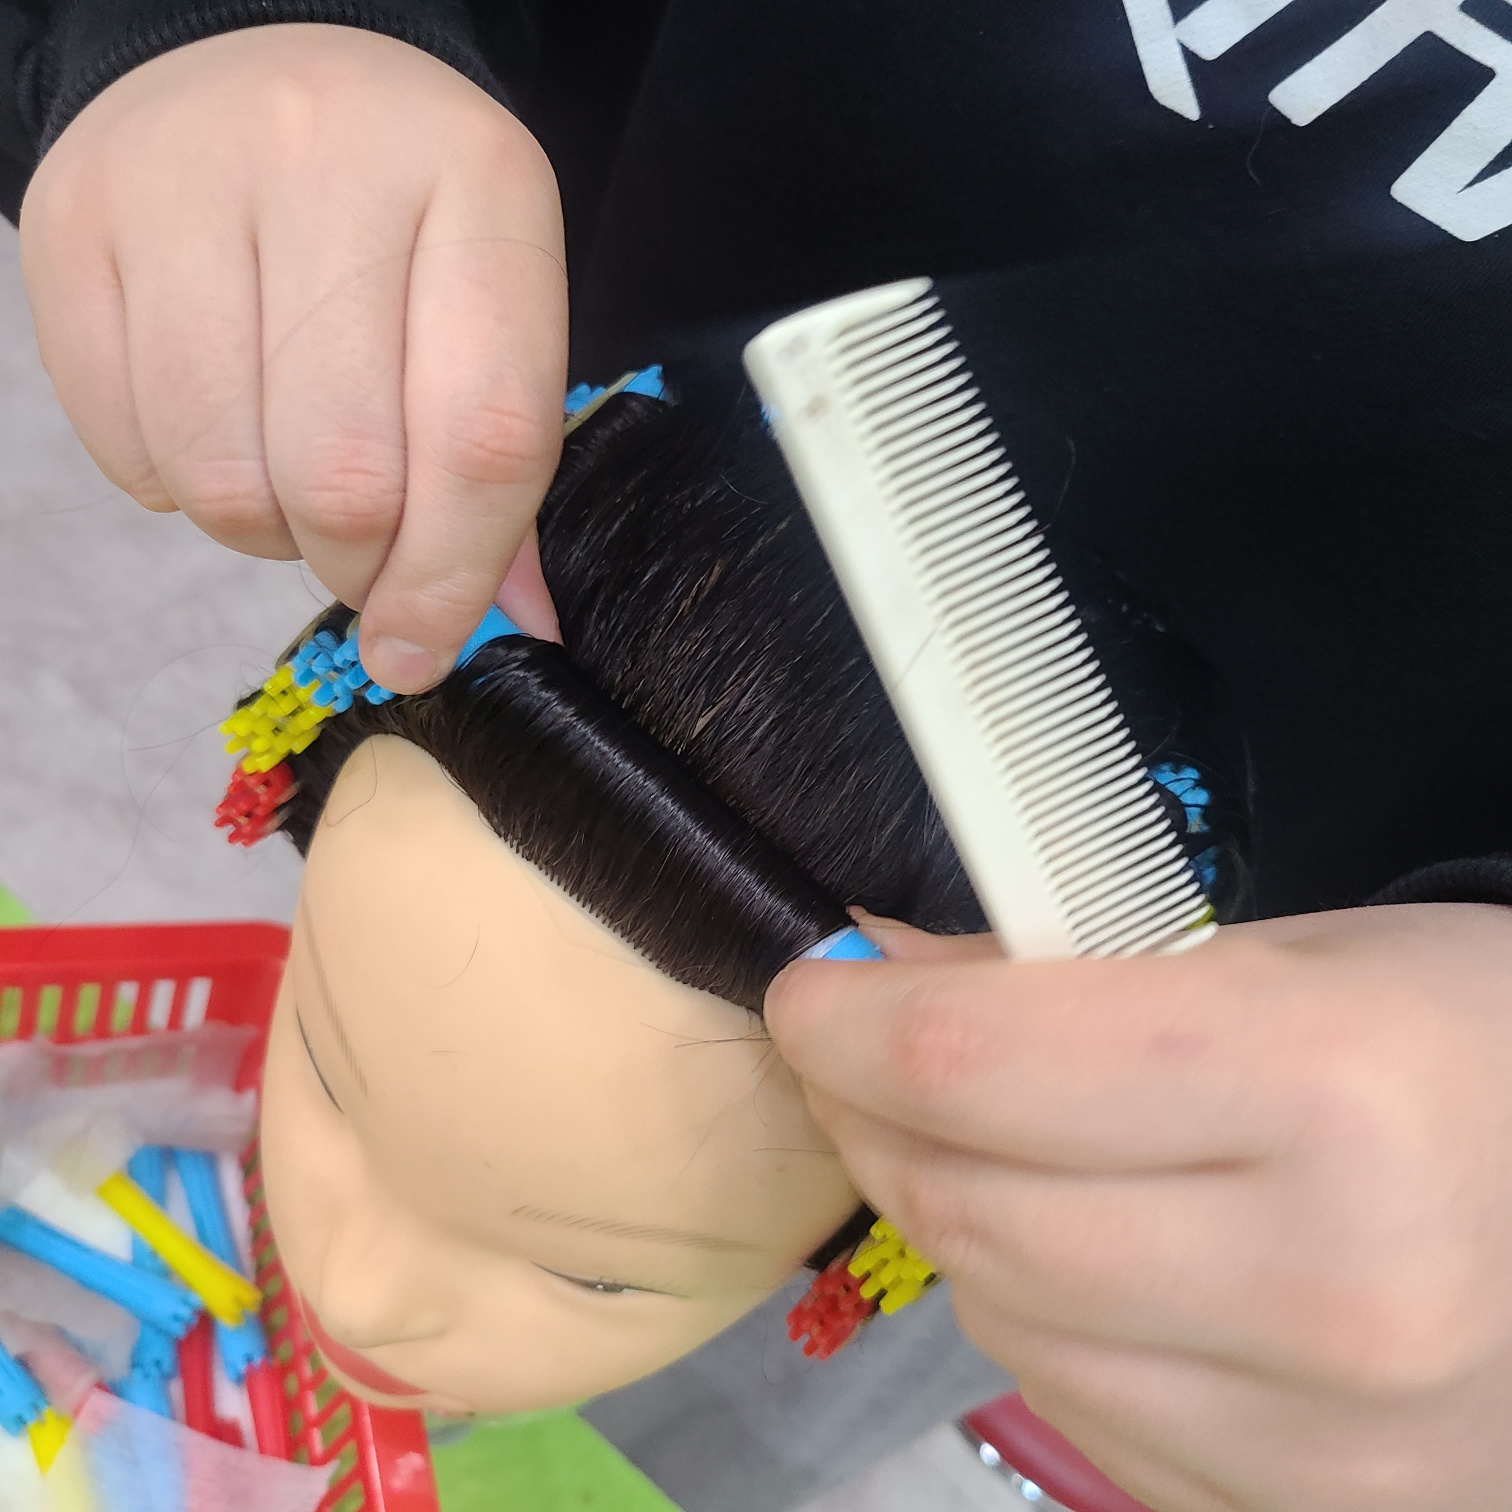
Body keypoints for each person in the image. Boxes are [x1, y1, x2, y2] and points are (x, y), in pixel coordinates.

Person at [9, 3, 1512, 1508]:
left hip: (1322, 1058)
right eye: (328, 1077)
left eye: (596, 1275)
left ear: (867, 1258)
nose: (360, 1288)